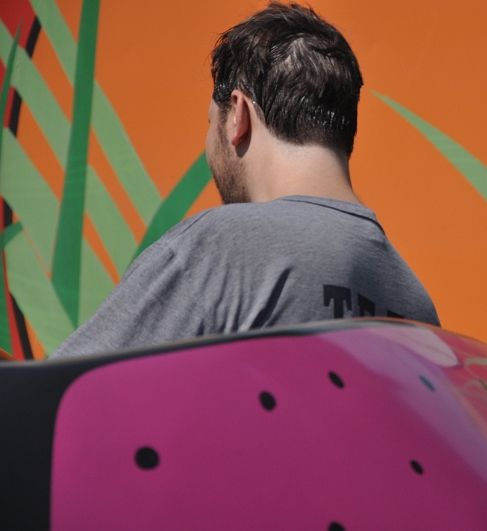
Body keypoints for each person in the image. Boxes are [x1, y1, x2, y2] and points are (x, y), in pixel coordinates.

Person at [50, 2, 439, 359]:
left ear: (237, 114)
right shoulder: (417, 303)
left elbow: (61, 392)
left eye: (210, 122)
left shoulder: (222, 247)